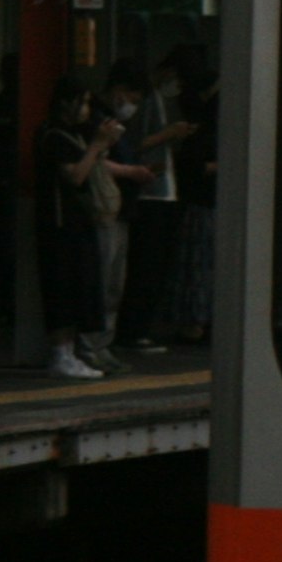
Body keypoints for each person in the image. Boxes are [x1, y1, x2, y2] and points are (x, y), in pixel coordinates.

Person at [37, 73, 119, 381]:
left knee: (79, 286)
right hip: (60, 222)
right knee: (62, 286)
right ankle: (60, 352)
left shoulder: (76, 135)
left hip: (78, 221)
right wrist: (98, 145)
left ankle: (69, 352)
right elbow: (75, 176)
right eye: (82, 102)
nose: (86, 109)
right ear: (66, 103)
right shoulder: (54, 136)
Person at [97, 60, 168, 356]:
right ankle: (94, 345)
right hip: (106, 210)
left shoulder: (117, 124)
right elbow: (95, 162)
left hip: (122, 209)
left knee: (115, 284)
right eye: (133, 99)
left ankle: (104, 345)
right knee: (104, 282)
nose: (133, 106)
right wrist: (131, 172)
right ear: (119, 90)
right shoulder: (102, 122)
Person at [161, 43, 216, 345]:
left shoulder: (194, 109)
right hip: (206, 198)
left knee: (195, 265)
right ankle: (199, 319)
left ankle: (193, 319)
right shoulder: (214, 103)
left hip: (196, 198)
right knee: (205, 265)